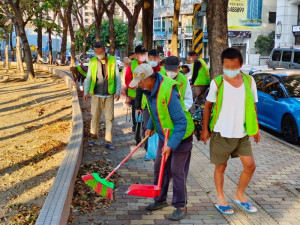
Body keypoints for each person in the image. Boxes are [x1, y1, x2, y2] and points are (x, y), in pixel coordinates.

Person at [129, 63, 195, 221]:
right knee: (160, 166)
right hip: (163, 135)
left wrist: (170, 146)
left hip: (181, 137)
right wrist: (151, 126)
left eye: (140, 82)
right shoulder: (149, 90)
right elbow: (156, 110)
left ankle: (181, 206)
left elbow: (181, 123)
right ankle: (160, 199)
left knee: (176, 170)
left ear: (148, 79)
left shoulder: (168, 91)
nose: (138, 85)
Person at [200, 48, 260, 215]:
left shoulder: (249, 81)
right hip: (221, 133)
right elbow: (207, 107)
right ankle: (221, 198)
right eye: (227, 66)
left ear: (241, 64)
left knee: (250, 166)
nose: (230, 69)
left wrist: (256, 128)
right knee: (221, 167)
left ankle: (239, 195)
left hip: (242, 134)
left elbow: (253, 106)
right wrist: (205, 130)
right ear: (222, 65)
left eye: (234, 66)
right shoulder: (217, 82)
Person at [83, 42, 121, 150]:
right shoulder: (93, 61)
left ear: (104, 51)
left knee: (109, 118)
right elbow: (89, 78)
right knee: (95, 117)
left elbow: (117, 77)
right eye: (96, 52)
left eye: (100, 52)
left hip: (109, 95)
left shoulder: (113, 60)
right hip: (96, 94)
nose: (98, 54)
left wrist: (117, 91)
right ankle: (93, 138)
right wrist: (86, 91)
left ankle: (108, 140)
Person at [135, 49, 161, 161]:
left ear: (158, 59)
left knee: (159, 129)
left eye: (155, 58)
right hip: (146, 105)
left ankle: (158, 151)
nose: (153, 60)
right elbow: (139, 89)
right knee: (147, 128)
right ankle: (148, 151)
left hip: (160, 105)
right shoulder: (144, 70)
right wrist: (137, 106)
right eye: (150, 58)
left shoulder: (162, 71)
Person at [125, 45, 148, 133]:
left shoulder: (148, 64)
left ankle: (144, 130)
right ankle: (136, 130)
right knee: (136, 113)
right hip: (134, 94)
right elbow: (127, 79)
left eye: (143, 53)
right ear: (136, 55)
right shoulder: (131, 65)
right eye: (140, 53)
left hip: (146, 95)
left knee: (145, 113)